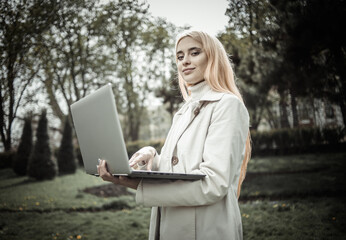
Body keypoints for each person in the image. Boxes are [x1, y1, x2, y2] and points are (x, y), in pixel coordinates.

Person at [97, 30, 251, 240]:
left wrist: (134, 184)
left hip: (206, 229)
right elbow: (177, 167)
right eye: (180, 56)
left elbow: (214, 183)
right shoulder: (183, 111)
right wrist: (151, 156)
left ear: (213, 58)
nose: (185, 61)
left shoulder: (227, 105)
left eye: (194, 53)